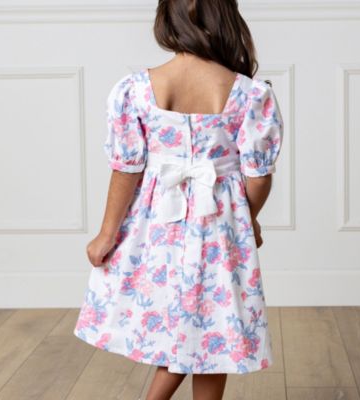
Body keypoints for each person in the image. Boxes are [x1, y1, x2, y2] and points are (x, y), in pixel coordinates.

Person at [73, 0, 284, 399]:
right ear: (227, 18)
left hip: (155, 228)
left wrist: (107, 233)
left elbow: (127, 169)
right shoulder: (250, 94)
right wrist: (247, 219)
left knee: (177, 324)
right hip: (218, 228)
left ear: (167, 21)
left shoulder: (137, 89)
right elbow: (258, 176)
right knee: (212, 328)